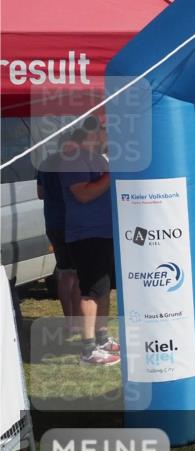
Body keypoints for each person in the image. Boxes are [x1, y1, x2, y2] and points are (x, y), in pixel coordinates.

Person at [59, 119, 119, 366]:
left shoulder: (97, 158)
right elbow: (83, 194)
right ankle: (88, 349)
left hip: (103, 233)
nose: (110, 137)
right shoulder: (74, 158)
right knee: (91, 291)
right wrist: (111, 174)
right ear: (95, 132)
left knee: (103, 289)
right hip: (86, 234)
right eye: (107, 131)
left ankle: (102, 339)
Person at [36, 139, 80, 324]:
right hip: (75, 224)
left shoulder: (45, 163)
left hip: (54, 223)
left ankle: (69, 320)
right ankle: (79, 320)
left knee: (64, 272)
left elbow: (40, 194)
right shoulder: (76, 164)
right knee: (79, 274)